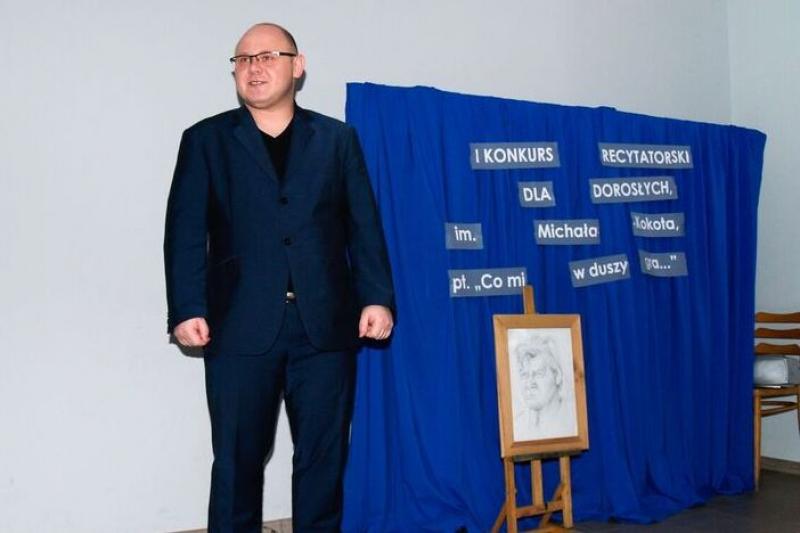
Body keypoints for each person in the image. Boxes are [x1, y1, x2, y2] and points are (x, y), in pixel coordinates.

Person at [163, 22, 394, 533]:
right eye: (244, 60)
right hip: (238, 326)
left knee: (323, 462)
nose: (254, 67)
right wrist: (187, 307)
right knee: (236, 463)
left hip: (325, 328)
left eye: (268, 56)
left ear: (298, 65)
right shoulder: (206, 141)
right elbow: (184, 231)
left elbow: (364, 226)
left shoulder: (337, 140)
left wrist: (377, 297)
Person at [512, 336, 575, 441]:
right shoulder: (517, 426)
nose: (529, 383)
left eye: (538, 374)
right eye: (524, 375)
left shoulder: (573, 420)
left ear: (557, 376)